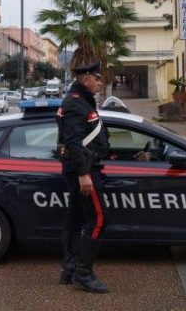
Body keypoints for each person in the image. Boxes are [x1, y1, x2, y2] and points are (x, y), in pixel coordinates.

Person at [56, 62, 111, 293]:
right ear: (86, 78)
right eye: (98, 78)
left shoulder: (80, 100)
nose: (100, 83)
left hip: (80, 166)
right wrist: (84, 174)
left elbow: (86, 136)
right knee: (98, 219)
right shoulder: (76, 104)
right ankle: (84, 274)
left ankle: (69, 270)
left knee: (75, 216)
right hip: (84, 170)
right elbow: (72, 141)